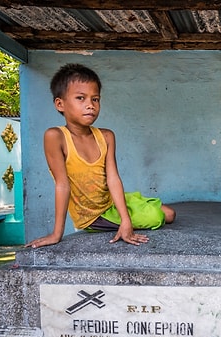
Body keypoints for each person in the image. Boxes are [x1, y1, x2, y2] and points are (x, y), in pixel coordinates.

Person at [26, 63, 175, 249]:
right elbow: (62, 184)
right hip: (94, 215)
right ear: (60, 104)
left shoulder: (106, 136)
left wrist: (125, 220)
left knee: (170, 213)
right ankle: (110, 221)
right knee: (158, 217)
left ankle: (125, 214)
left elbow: (113, 178)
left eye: (95, 99)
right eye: (81, 98)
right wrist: (57, 234)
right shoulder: (55, 137)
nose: (90, 105)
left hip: (111, 202)